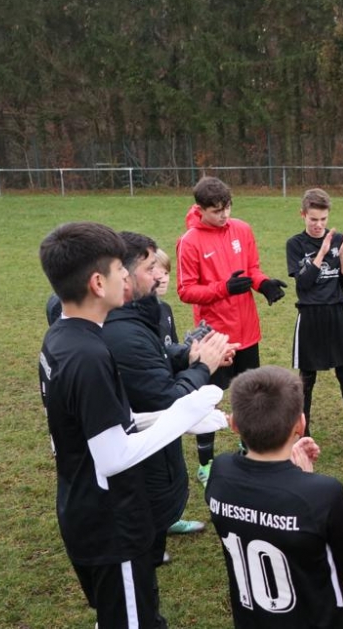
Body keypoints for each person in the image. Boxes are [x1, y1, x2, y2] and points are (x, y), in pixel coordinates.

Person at [39, 221, 224, 628]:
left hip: (86, 509)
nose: (128, 275)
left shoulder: (65, 336)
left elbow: (101, 424)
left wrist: (184, 420)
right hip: (112, 525)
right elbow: (113, 456)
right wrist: (184, 411)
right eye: (119, 269)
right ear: (97, 283)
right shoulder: (88, 356)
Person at [102, 232, 234, 572]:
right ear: (124, 275)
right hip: (142, 457)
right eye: (150, 268)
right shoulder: (123, 332)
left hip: (150, 452)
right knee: (145, 537)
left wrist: (189, 355)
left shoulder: (136, 318)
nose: (158, 276)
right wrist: (203, 368)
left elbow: (157, 355)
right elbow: (168, 402)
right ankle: (148, 557)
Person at [206, 365, 343, 628]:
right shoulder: (322, 493)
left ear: (233, 425)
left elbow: (255, 487)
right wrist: (304, 480)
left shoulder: (220, 472)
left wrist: (291, 474)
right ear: (300, 423)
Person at [176, 176, 288, 485]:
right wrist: (223, 288)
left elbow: (252, 269)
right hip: (214, 338)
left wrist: (263, 284)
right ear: (200, 210)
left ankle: (248, 449)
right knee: (208, 399)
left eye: (227, 207)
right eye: (216, 210)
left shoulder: (242, 229)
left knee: (251, 396)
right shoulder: (189, 241)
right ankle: (206, 462)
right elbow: (185, 290)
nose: (224, 215)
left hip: (247, 331)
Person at [287, 188, 343, 452]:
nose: (319, 224)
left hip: (337, 315)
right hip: (310, 316)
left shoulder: (338, 240)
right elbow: (304, 283)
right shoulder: (295, 244)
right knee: (306, 380)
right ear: (303, 215)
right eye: (313, 219)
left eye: (323, 219)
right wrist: (322, 253)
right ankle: (304, 435)